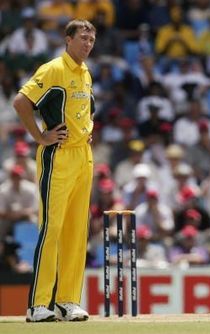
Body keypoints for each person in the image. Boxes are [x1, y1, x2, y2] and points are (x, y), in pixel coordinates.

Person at [12, 19, 96, 322]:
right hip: (58, 156)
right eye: (83, 38)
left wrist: (87, 130)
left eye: (91, 39)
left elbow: (86, 108)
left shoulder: (85, 72)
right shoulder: (53, 69)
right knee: (52, 228)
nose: (87, 44)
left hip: (82, 155)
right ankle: (39, 304)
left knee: (77, 231)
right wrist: (39, 136)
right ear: (68, 39)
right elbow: (21, 101)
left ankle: (67, 301)